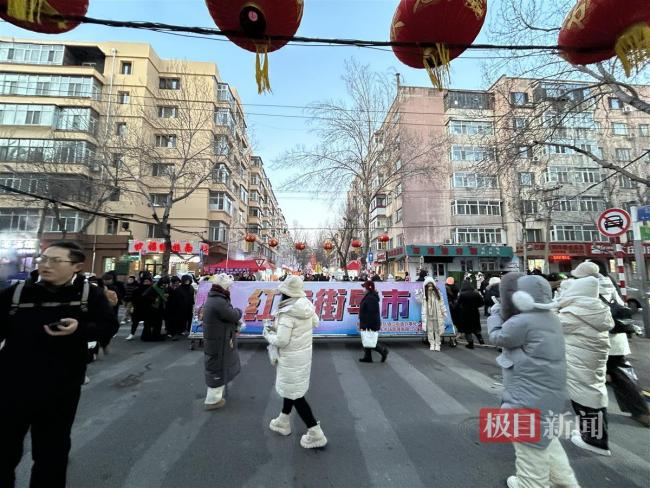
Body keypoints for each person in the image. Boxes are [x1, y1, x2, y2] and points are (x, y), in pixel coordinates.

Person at [0, 241, 117, 488]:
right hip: (12, 386)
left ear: (76, 266)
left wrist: (80, 330)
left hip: (60, 389)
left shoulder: (88, 295)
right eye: (43, 259)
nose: (45, 265)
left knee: (51, 454)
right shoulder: (17, 293)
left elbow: (108, 326)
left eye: (55, 260)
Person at [488, 275, 581, 488]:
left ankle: (529, 483)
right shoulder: (551, 317)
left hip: (527, 398)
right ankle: (564, 482)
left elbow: (497, 337)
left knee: (530, 452)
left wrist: (495, 315)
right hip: (549, 394)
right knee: (545, 440)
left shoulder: (522, 321)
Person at [572, 260, 650, 428]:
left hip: (597, 339)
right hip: (616, 339)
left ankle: (593, 418)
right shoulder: (610, 283)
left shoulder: (586, 287)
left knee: (589, 377)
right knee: (621, 373)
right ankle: (640, 411)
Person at [263, 275, 327, 449]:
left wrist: (268, 334)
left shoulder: (287, 312)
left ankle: (315, 433)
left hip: (290, 358)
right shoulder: (306, 305)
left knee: (296, 395)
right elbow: (316, 322)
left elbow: (282, 341)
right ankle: (283, 420)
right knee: (292, 390)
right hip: (303, 357)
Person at [556, 273, 614, 456]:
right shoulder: (597, 308)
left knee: (584, 398)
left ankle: (595, 441)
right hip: (593, 360)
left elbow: (551, 324)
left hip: (580, 361)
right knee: (593, 394)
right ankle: (592, 435)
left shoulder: (574, 312)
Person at [201, 273, 242, 409]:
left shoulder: (215, 298)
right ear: (223, 288)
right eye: (228, 288)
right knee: (217, 366)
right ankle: (213, 400)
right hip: (218, 340)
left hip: (217, 338)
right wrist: (239, 311)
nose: (230, 290)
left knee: (216, 365)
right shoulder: (219, 301)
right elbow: (233, 315)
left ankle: (214, 396)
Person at [358, 279, 389, 363]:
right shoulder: (369, 296)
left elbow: (372, 313)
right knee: (366, 339)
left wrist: (368, 325)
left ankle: (383, 351)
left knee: (370, 341)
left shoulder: (371, 298)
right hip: (367, 323)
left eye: (364, 287)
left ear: (369, 288)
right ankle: (368, 357)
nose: (363, 289)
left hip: (369, 323)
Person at [416, 277, 447, 351]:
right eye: (428, 285)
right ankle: (432, 344)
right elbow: (419, 301)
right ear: (426, 286)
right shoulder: (424, 294)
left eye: (431, 285)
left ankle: (437, 344)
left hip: (437, 314)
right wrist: (418, 294)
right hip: (428, 315)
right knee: (430, 330)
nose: (430, 286)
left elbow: (441, 303)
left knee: (437, 330)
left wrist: (444, 312)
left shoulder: (437, 293)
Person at [455, 281, 485, 349]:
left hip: (465, 313)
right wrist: (475, 305)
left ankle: (470, 344)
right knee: (476, 327)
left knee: (467, 329)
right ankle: (481, 340)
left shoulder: (462, 294)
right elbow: (482, 303)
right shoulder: (476, 293)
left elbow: (458, 304)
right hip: (475, 312)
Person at [140, 276, 169, 341]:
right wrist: (153, 299)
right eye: (164, 283)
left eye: (166, 283)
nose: (165, 285)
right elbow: (144, 296)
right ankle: (146, 336)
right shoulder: (153, 288)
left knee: (158, 323)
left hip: (159, 309)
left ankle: (156, 335)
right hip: (151, 309)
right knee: (148, 323)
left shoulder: (163, 288)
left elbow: (165, 296)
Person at [126, 273, 153, 340]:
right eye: (145, 281)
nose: (146, 283)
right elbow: (133, 299)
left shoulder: (152, 289)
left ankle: (146, 335)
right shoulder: (137, 290)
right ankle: (132, 334)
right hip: (138, 308)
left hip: (148, 308)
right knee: (135, 322)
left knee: (147, 323)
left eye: (148, 281)